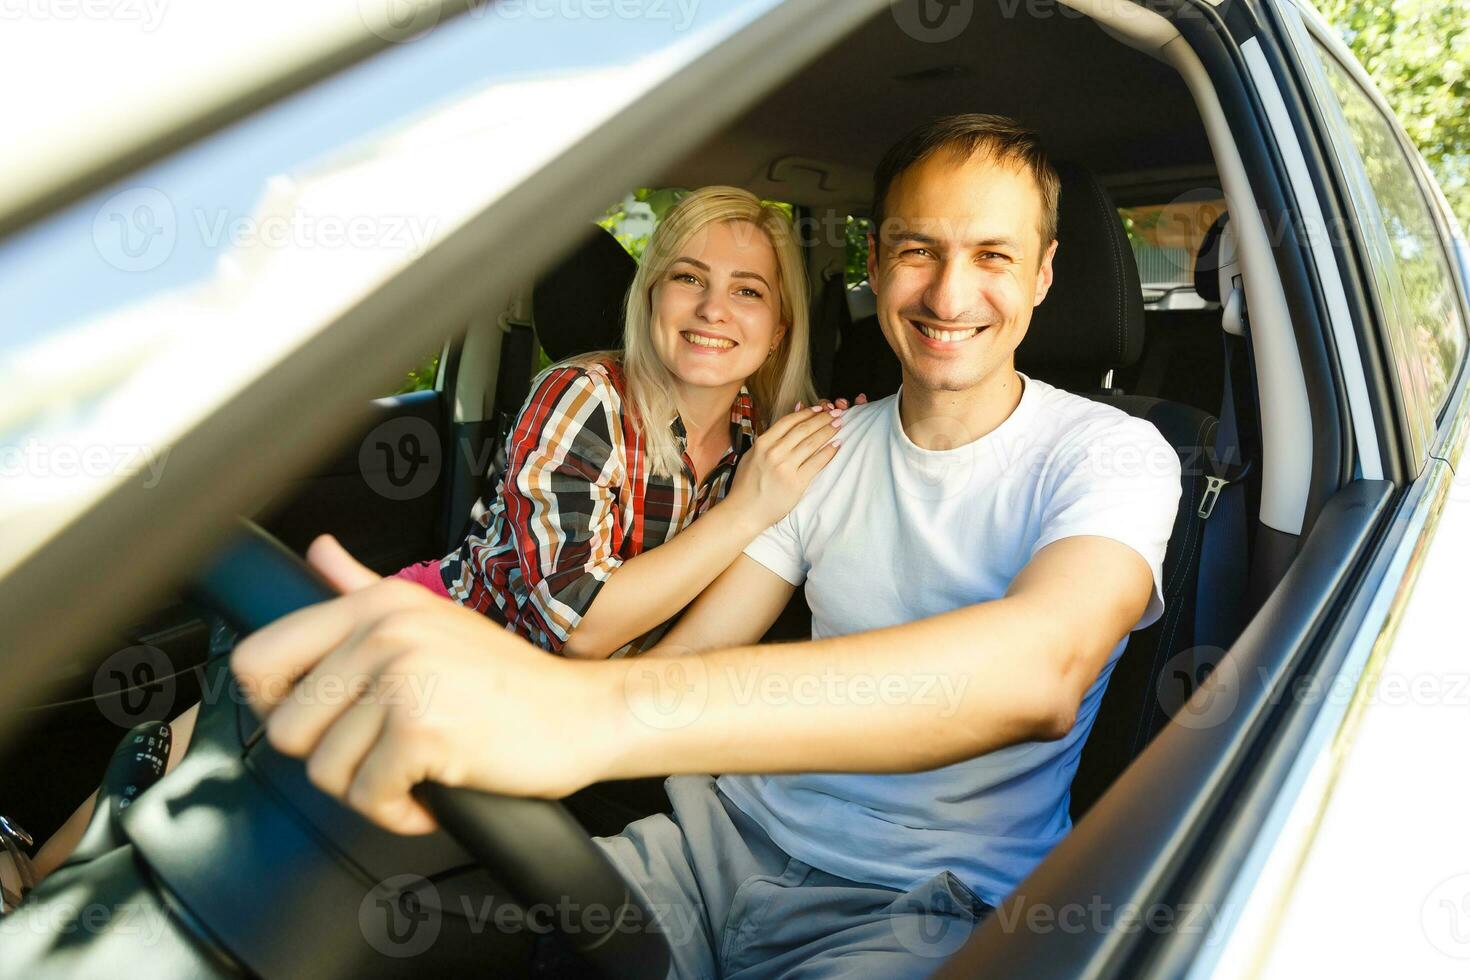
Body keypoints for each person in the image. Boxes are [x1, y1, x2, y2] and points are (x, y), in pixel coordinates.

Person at [179, 114, 1187, 978]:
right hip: (709, 845)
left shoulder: (1113, 455)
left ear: (1046, 274)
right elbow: (694, 655)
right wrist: (522, 723)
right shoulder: (820, 449)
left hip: (922, 904)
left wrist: (581, 709)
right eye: (918, 249)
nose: (948, 292)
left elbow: (1041, 667)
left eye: (994, 255)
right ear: (874, 263)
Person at [3, 185, 852, 906]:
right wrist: (745, 513)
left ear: (778, 329)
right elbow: (582, 624)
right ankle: (35, 885)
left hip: (556, 708)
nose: (712, 309)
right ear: (650, 296)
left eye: (748, 291)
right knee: (235, 726)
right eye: (688, 279)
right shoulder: (584, 397)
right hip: (449, 630)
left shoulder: (758, 439)